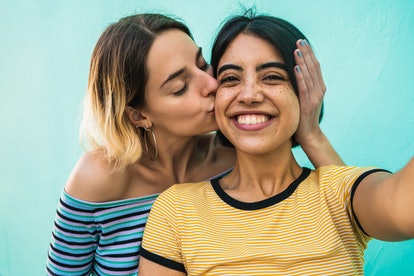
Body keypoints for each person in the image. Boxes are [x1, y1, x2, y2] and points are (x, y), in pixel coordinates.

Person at [46, 13, 344, 275]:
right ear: (139, 115)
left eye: (203, 65)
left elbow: (346, 215)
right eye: (180, 87)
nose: (212, 84)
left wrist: (310, 132)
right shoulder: (98, 178)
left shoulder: (234, 157)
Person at [138, 12, 414, 275]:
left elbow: (404, 206)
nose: (249, 94)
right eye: (231, 79)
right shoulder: (176, 209)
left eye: (272, 76)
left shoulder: (340, 192)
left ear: (304, 92)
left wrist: (311, 133)